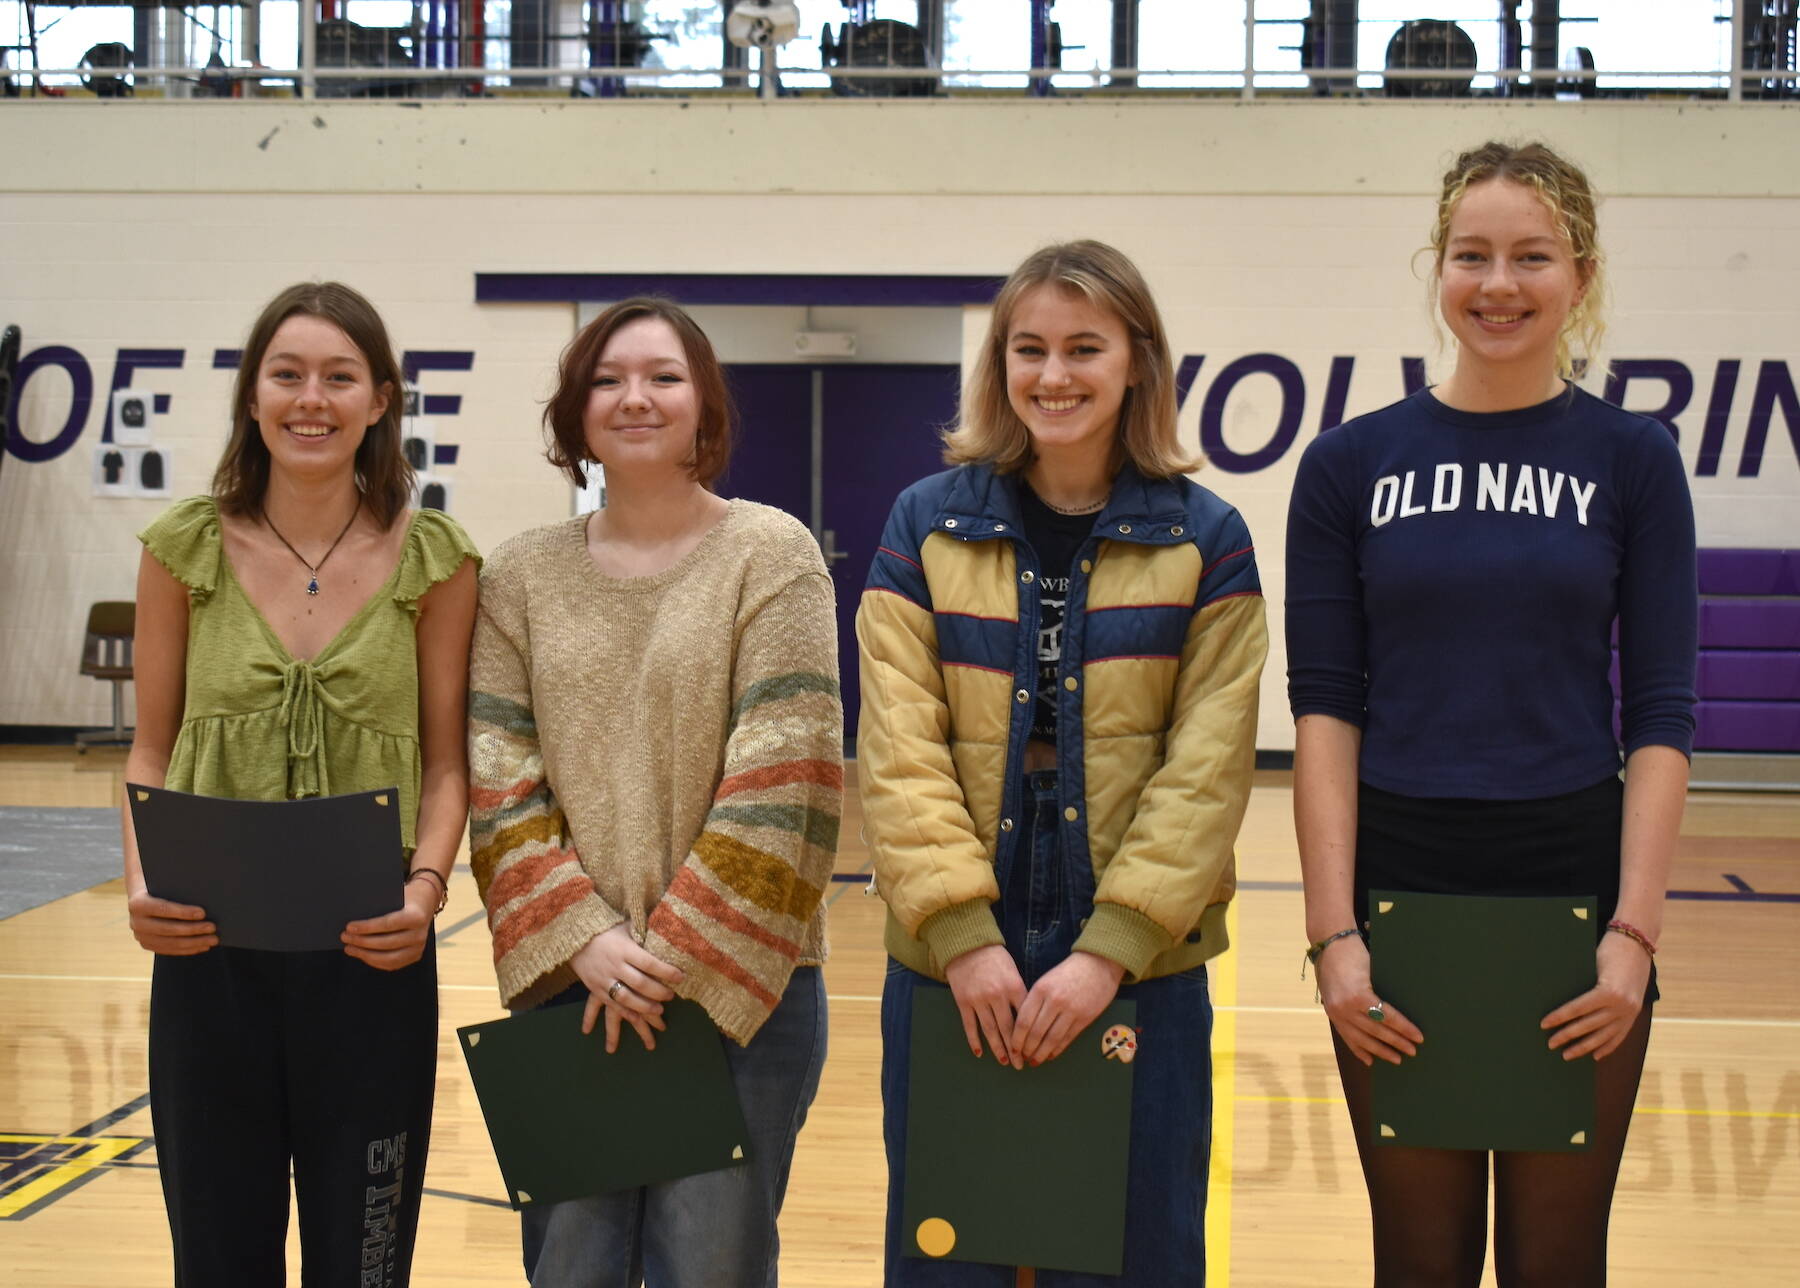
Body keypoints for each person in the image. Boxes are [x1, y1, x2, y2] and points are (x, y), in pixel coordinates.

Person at [1286, 141, 1697, 1287]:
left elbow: (1662, 713)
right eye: (1472, 255)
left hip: (1574, 891)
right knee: (1417, 1262)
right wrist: (1334, 935)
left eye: (1532, 256)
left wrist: (1634, 934)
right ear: (1438, 265)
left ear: (1582, 274)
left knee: (1558, 1264)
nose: (1499, 284)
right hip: (1398, 891)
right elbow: (1324, 712)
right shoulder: (1348, 463)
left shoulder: (1634, 458)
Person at [858, 240, 1267, 1286]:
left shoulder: (1205, 537)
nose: (1055, 375)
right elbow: (899, 746)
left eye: (1086, 347)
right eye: (1029, 349)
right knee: (952, 1256)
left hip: (1138, 965)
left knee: (1137, 1257)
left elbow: (1208, 765)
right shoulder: (924, 521)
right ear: (1000, 366)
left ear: (1138, 361)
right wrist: (959, 932)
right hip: (959, 959)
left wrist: (1109, 948)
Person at [467, 297, 841, 1288]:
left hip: (735, 998)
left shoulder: (773, 552)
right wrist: (587, 939)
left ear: (704, 402)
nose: (635, 397)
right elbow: (499, 775)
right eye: (608, 378)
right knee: (569, 1269)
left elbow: (787, 765)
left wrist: (666, 959)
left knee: (712, 1271)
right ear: (575, 409)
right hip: (570, 988)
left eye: (663, 377)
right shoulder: (517, 576)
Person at [122, 281, 480, 1285]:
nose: (310, 399)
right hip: (208, 957)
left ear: (381, 400)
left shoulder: (437, 559)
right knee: (219, 1258)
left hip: (372, 963)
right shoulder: (183, 549)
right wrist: (141, 883)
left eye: (338, 376)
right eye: (286, 374)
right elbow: (149, 751)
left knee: (362, 1262)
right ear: (252, 395)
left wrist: (425, 895)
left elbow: (448, 763)